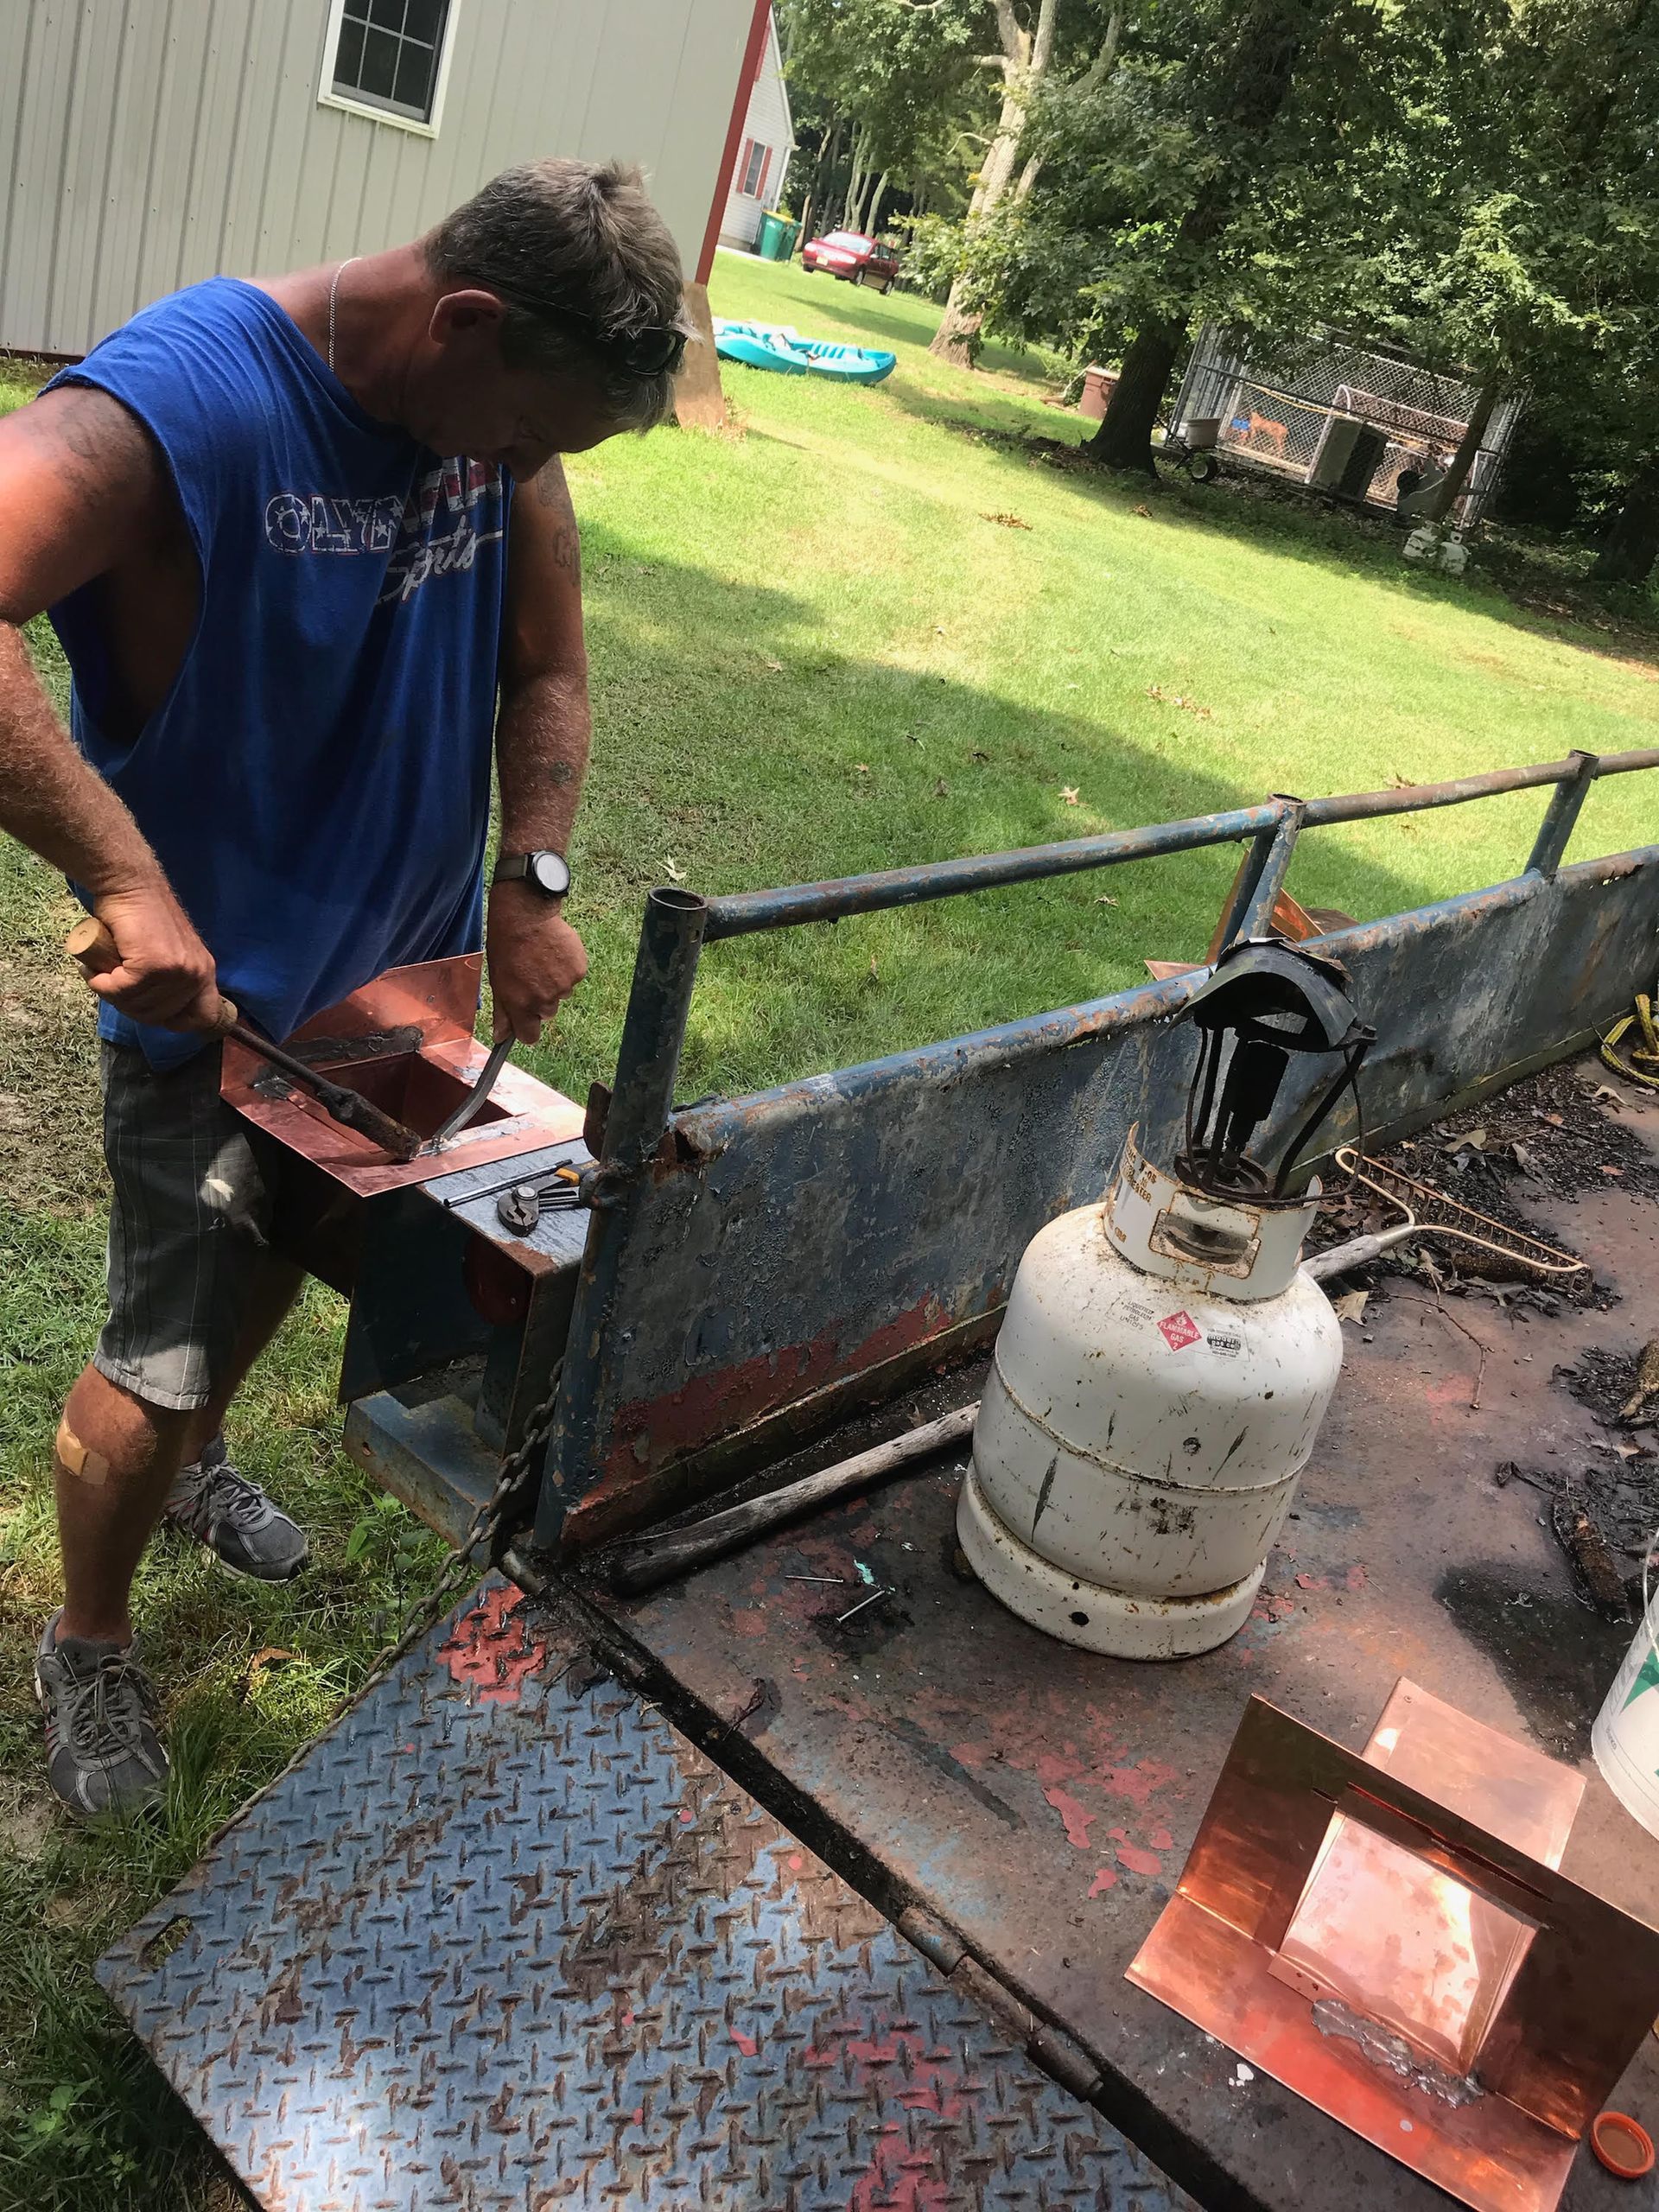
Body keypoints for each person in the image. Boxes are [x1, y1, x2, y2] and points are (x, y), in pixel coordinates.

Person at [0, 159, 689, 1816]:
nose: (529, 478)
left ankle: (200, 1472)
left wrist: (530, 875)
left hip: (402, 995)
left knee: (282, 1271)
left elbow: (552, 665)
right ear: (466, 320)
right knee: (161, 1347)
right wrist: (123, 879)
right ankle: (86, 1646)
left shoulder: (498, 423)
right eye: (528, 442)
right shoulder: (191, 398)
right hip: (216, 1011)